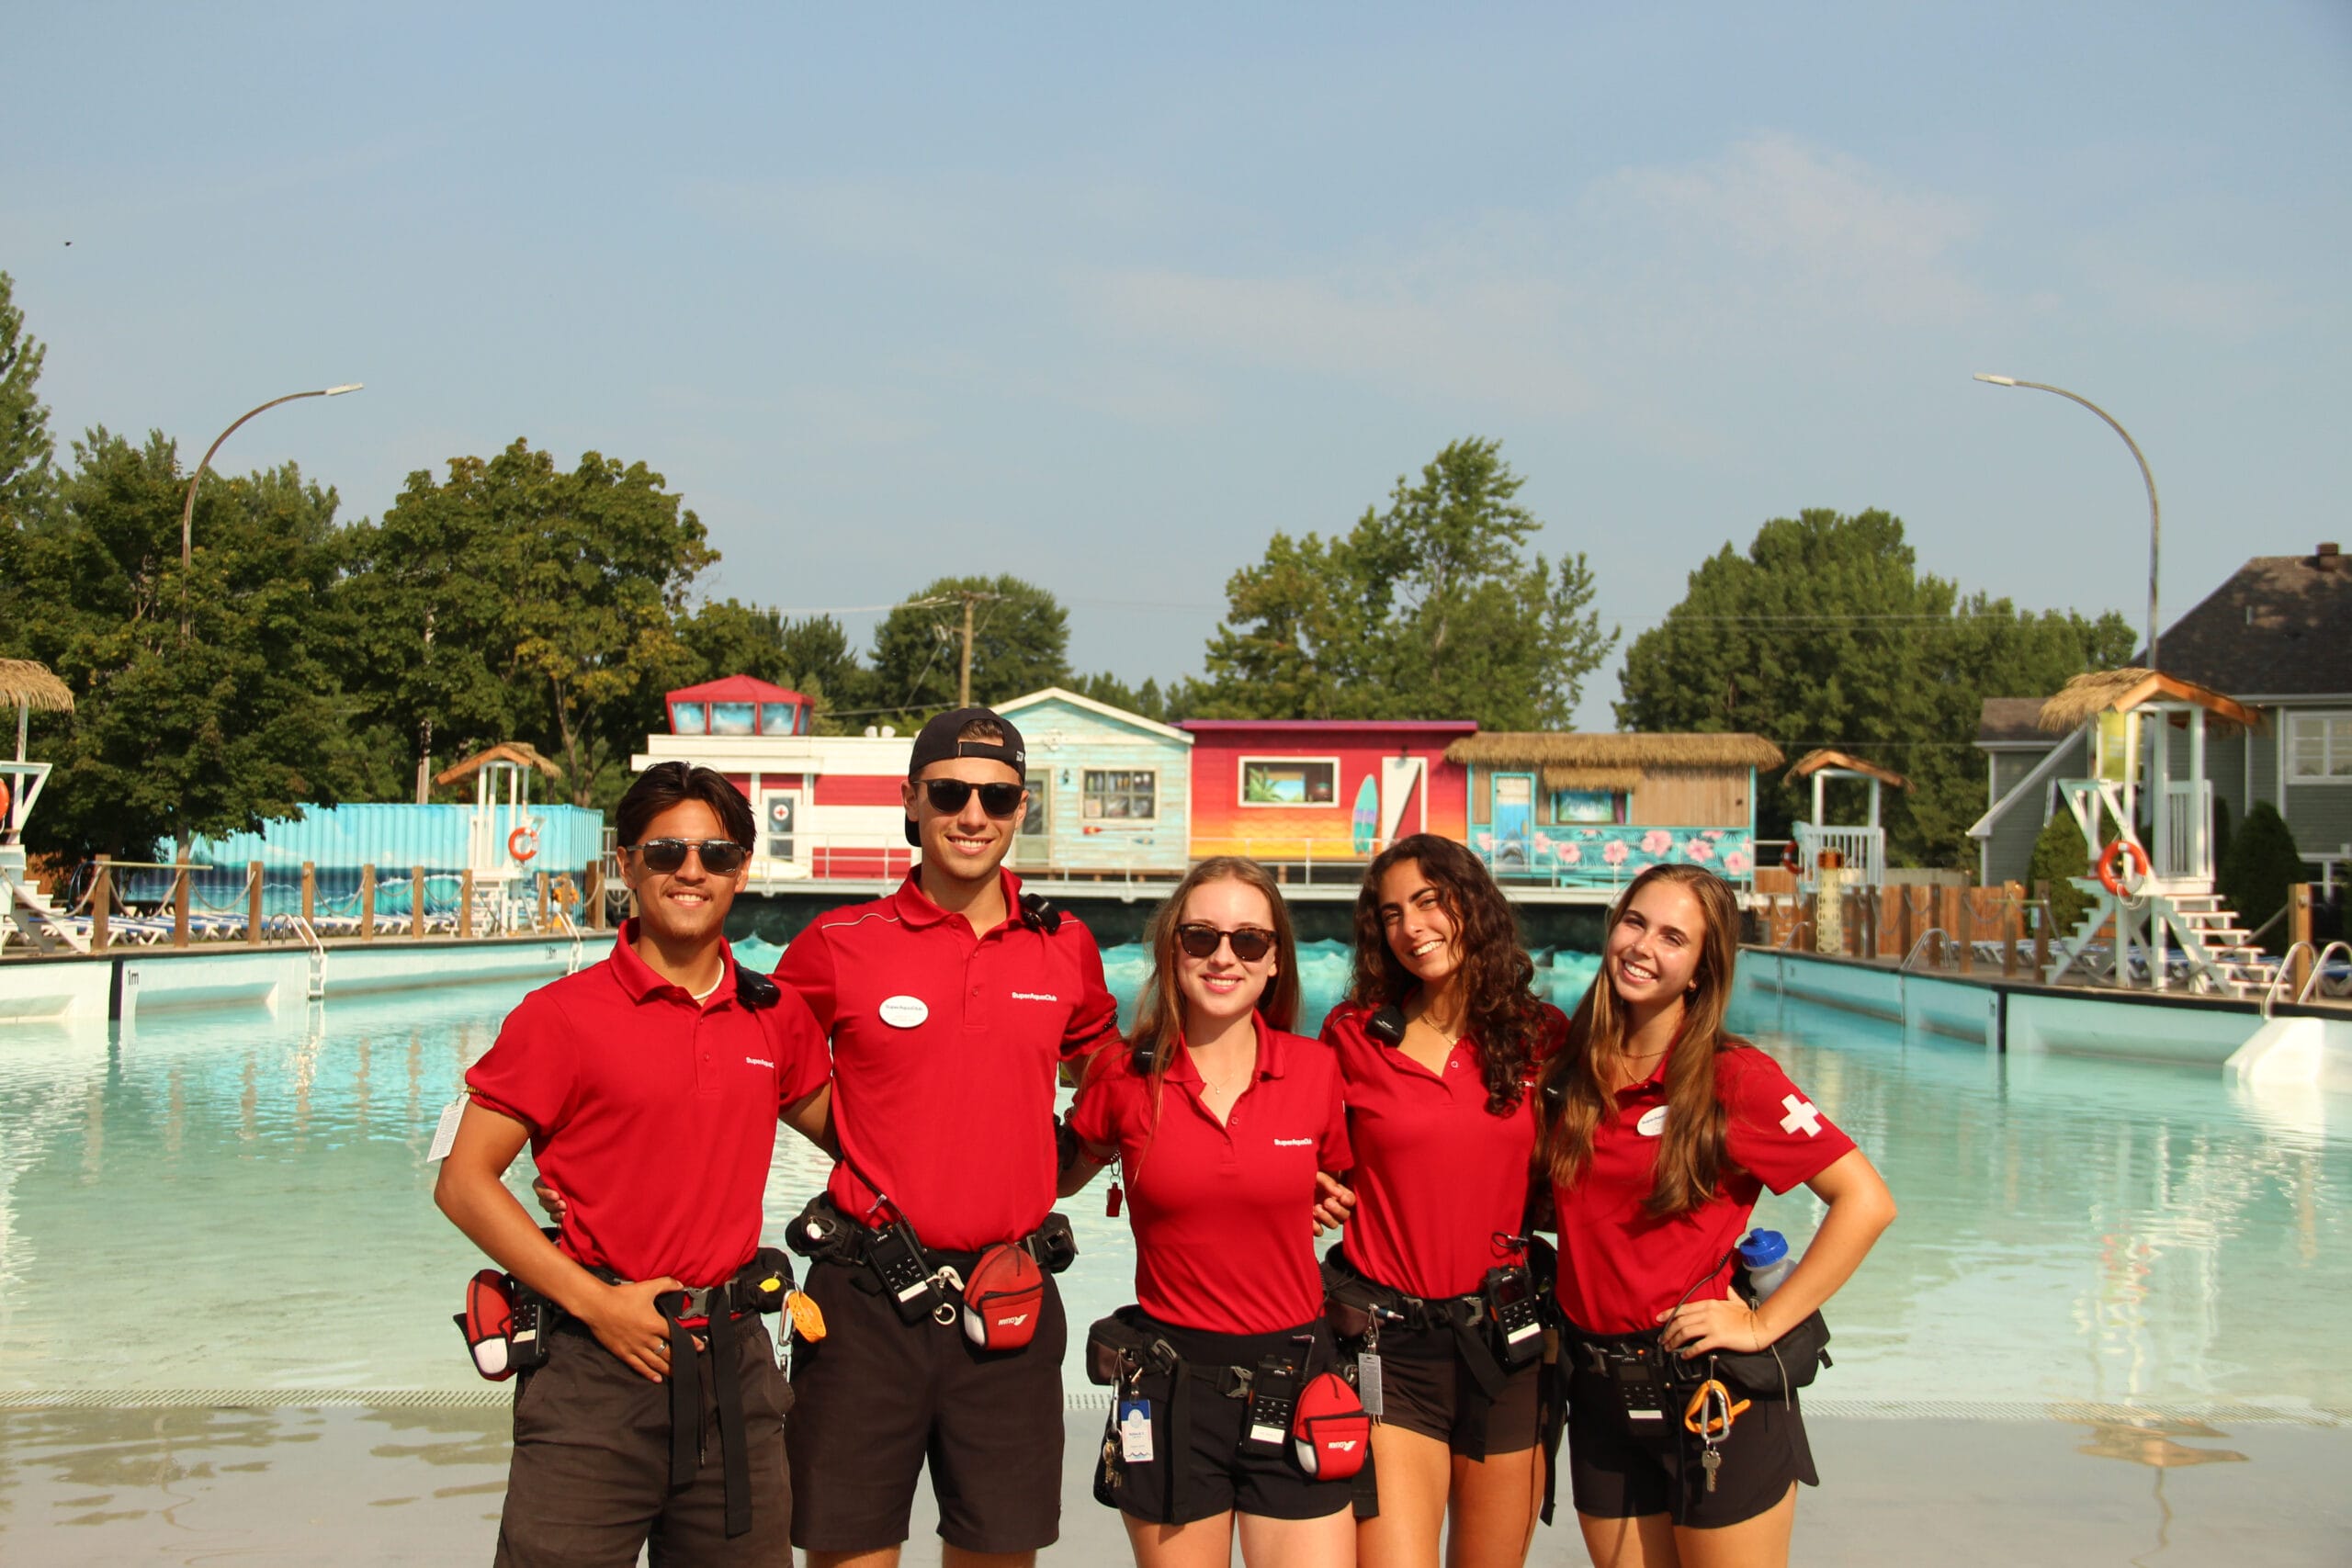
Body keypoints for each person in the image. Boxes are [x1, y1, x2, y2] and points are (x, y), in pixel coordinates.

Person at [435, 761, 833, 1567]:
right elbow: (463, 1182)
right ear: (627, 864)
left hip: (734, 1369)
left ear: (742, 871)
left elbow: (869, 1137)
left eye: (717, 854)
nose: (692, 870)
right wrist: (598, 1303)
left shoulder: (775, 1017)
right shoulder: (561, 1018)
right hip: (591, 1374)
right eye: (667, 851)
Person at [775, 705, 1123, 1568]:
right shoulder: (838, 943)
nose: (974, 814)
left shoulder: (1064, 946)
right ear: (912, 800)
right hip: (862, 1306)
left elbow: (1116, 1080)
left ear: (1020, 811)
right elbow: (755, 1058)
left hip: (1007, 1301)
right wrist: (855, 1138)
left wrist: (1067, 1166)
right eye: (951, 792)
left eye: (997, 797)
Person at [1536, 864, 1895, 1568]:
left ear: (1701, 969)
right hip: (1600, 1391)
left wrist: (1763, 1323)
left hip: (1708, 1395)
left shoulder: (1735, 1078)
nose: (1644, 945)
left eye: (1674, 936)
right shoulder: (1571, 1070)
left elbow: (1866, 1200)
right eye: (1635, 922)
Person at [1062, 856, 1362, 1568]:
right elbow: (1046, 1179)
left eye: (1248, 940)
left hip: (1297, 1378)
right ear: (1173, 950)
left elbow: (1359, 1183)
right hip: (1170, 1387)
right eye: (1201, 937)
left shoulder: (1315, 1071)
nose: (1224, 955)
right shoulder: (1125, 1078)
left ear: (1273, 960)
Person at [1317, 834, 1568, 1568]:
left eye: (1431, 900)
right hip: (1389, 1347)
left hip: (1508, 1343)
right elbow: (1296, 1139)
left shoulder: (1540, 1035)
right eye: (1392, 913)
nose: (1412, 927)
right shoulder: (1353, 1036)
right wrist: (1306, 1180)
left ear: (1473, 903)